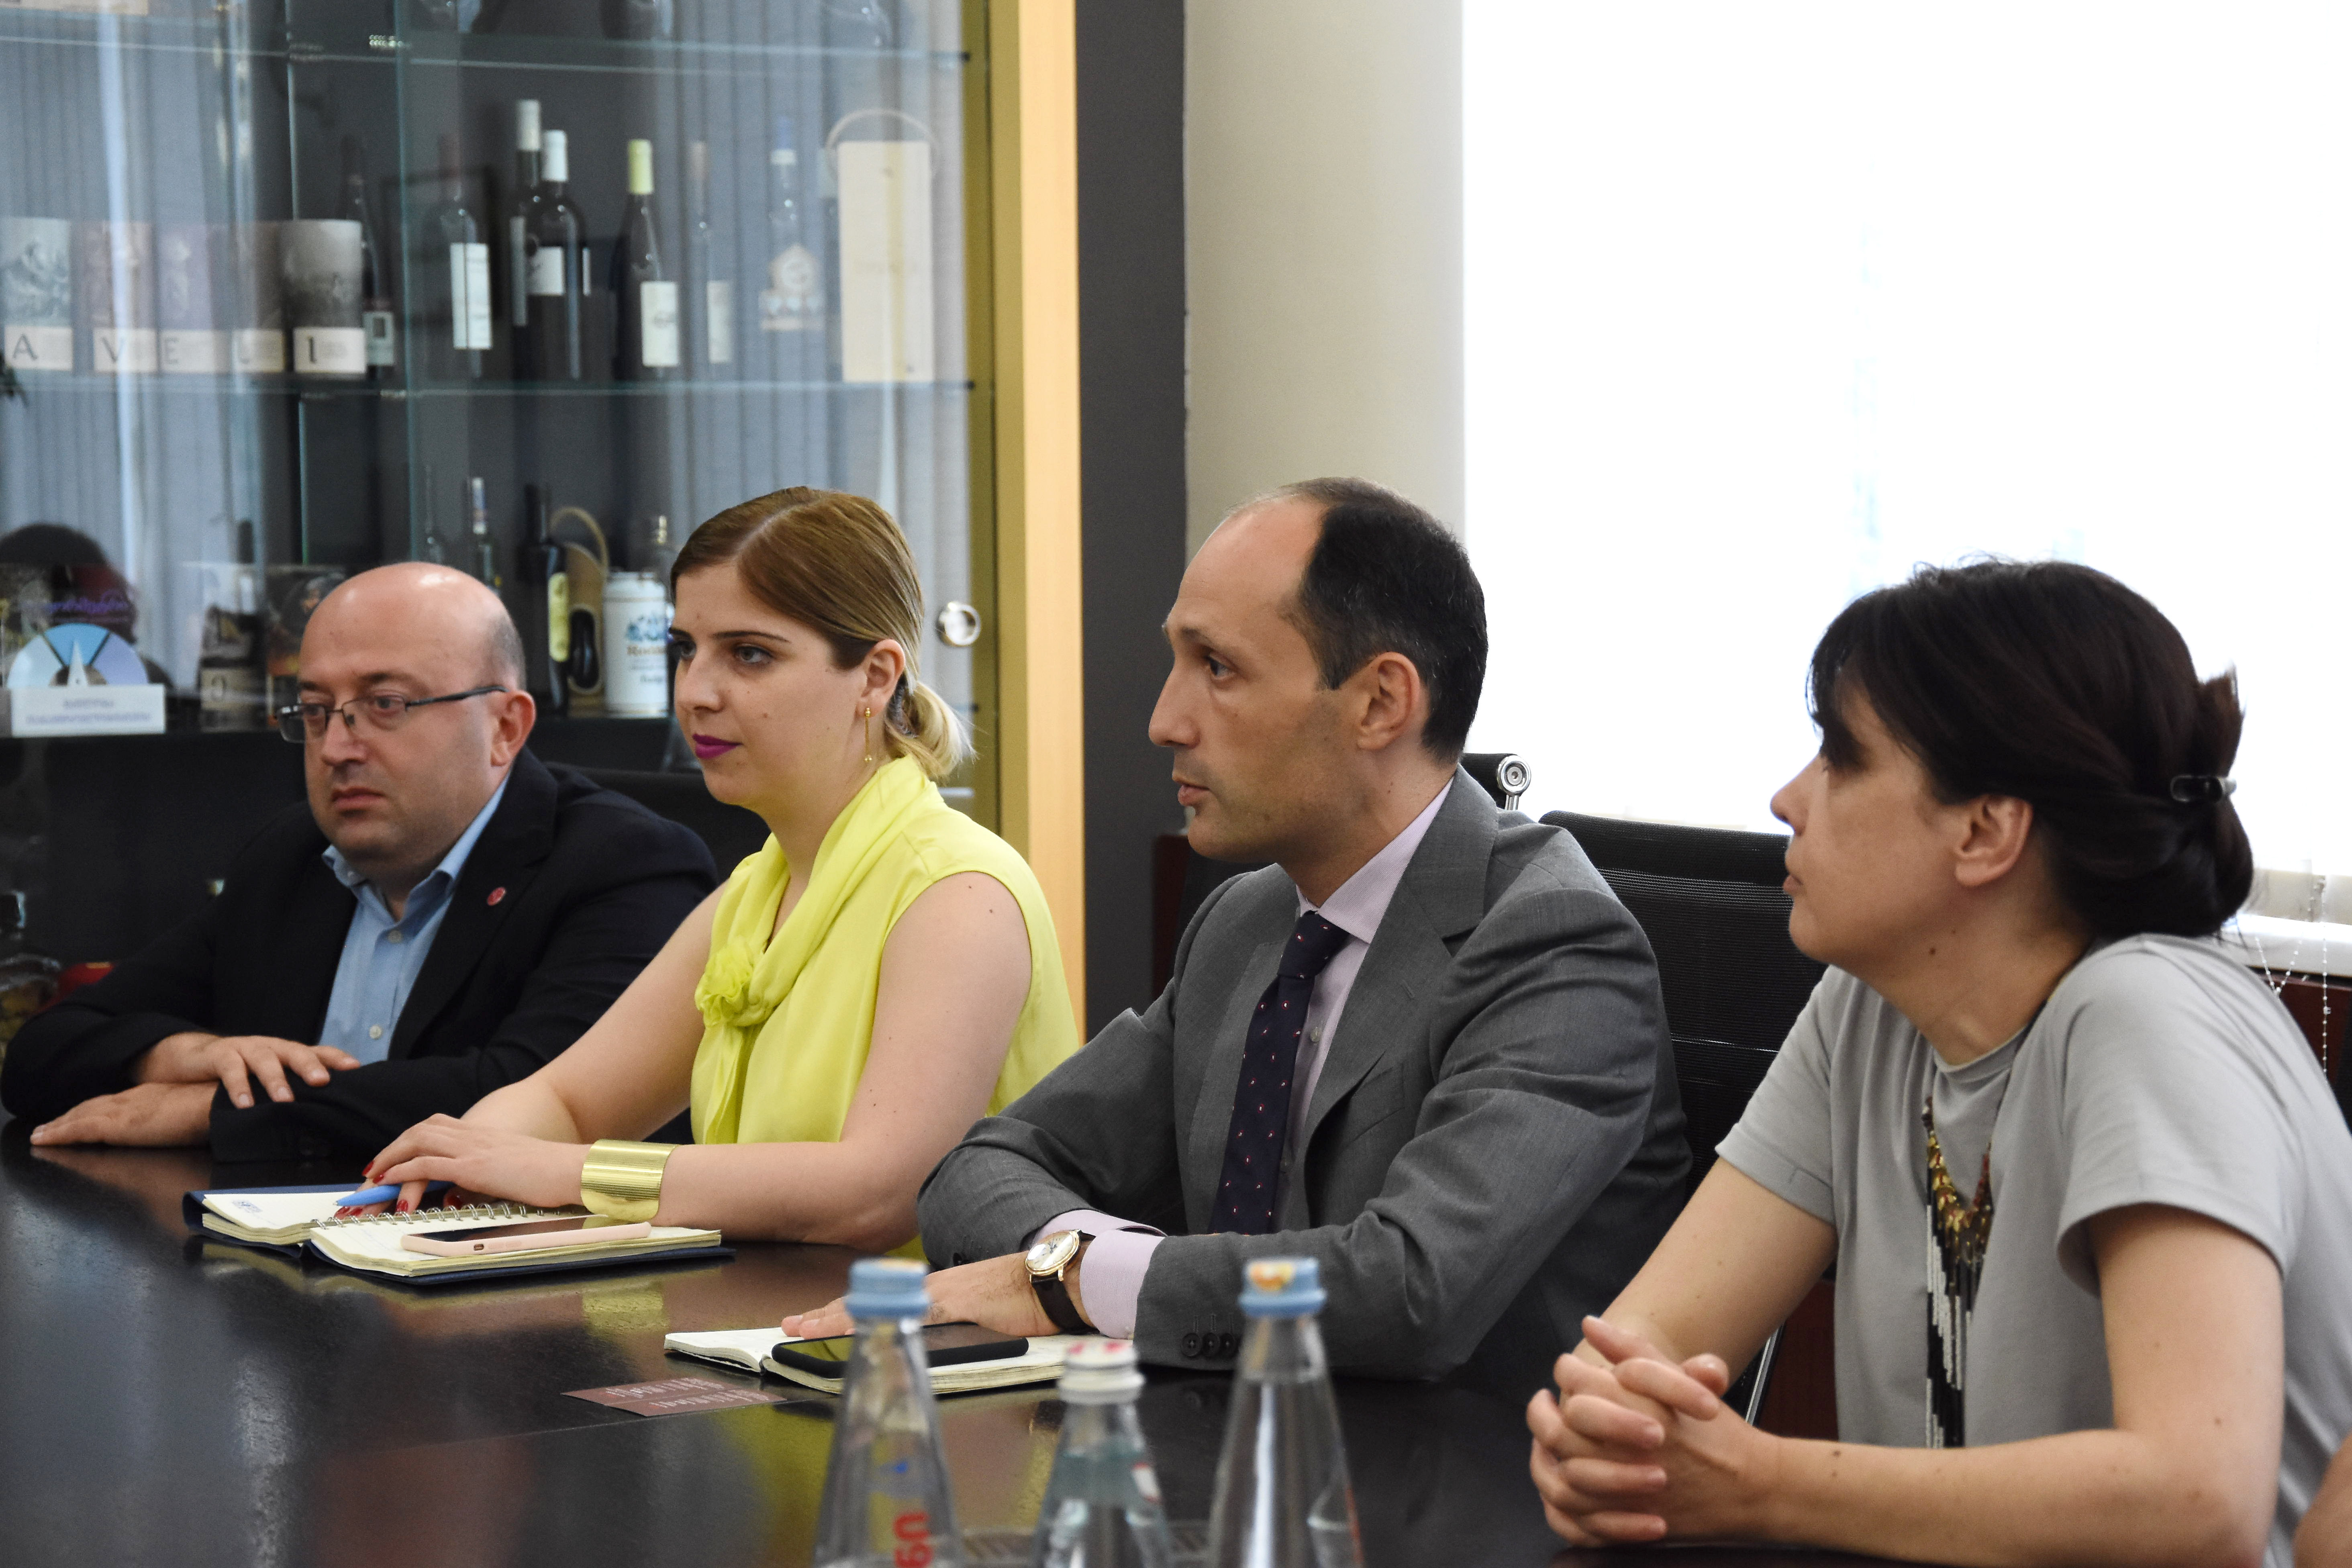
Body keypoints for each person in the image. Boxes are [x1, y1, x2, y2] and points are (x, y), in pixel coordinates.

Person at [786, 478, 1688, 1402]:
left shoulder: (1556, 946)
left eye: (1218, 667)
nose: (1164, 721)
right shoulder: (1247, 921)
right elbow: (981, 1168)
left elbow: (1410, 1289)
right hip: (1218, 1441)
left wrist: (1079, 1280)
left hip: (1463, 1474)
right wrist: (1081, 1269)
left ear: (1381, 701)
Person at [1526, 559, 2352, 1568]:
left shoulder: (2147, 1012)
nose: (1786, 797)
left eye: (1841, 757)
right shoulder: (1869, 1008)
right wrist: (1605, 1432)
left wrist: (1761, 1481)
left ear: (1985, 828)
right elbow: (1639, 1348)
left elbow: (2197, 1499)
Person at [357, 488, 1082, 1250]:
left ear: (875, 677)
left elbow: (883, 1191)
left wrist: (561, 1171)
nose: (695, 692)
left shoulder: (958, 893)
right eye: (685, 650)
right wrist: (451, 1169)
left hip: (922, 1327)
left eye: (750, 654)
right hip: (772, 1318)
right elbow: (567, 1102)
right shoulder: (751, 895)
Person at [1, 564, 717, 1160]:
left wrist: (210, 1111)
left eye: (385, 704)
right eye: (316, 711)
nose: (338, 748)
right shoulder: (293, 857)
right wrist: (175, 1055)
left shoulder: (625, 864)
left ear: (505, 727)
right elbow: (40, 1055)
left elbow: (527, 1097)